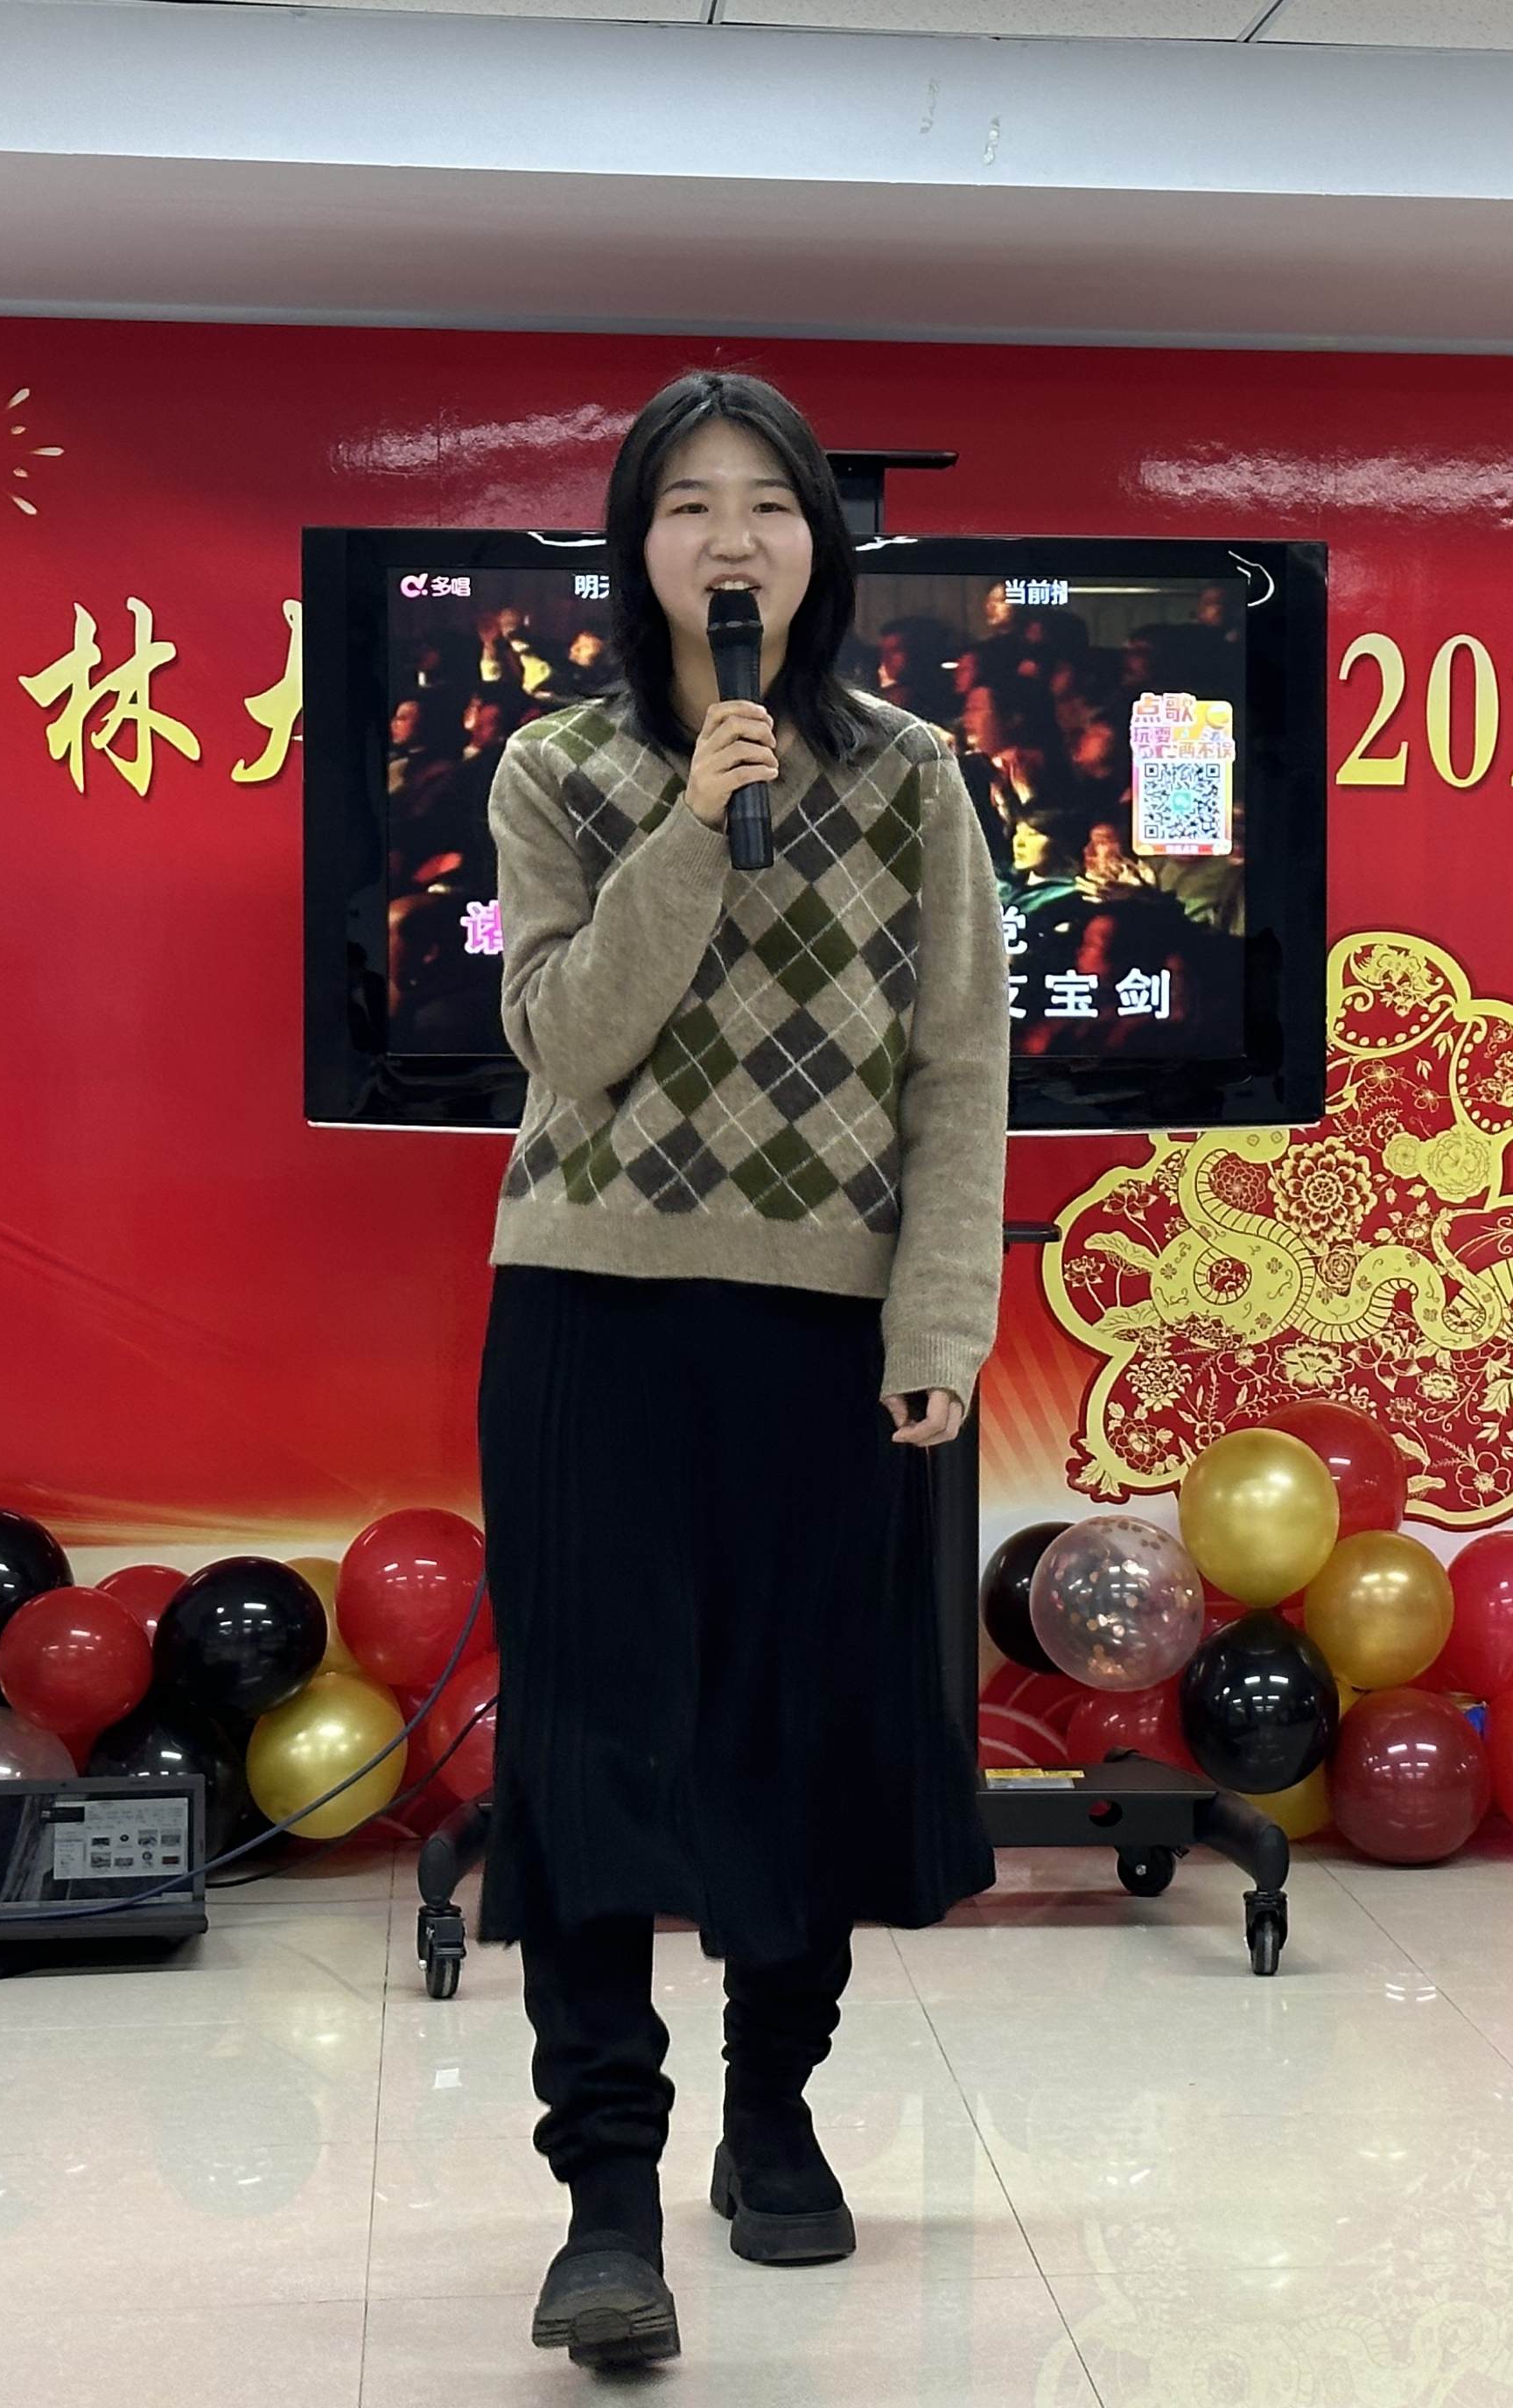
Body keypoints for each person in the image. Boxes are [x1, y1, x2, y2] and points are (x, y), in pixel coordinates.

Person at [479, 370, 1005, 2370]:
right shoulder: (555, 768)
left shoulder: (916, 779)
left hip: (827, 1331)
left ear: (820, 546)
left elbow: (959, 1069)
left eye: (768, 504)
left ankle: (773, 2110)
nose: (731, 537)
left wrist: (939, 1322)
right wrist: (694, 824)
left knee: (803, 1741)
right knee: (593, 1748)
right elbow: (568, 1038)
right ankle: (607, 2199)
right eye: (688, 503)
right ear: (639, 551)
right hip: (591, 1313)